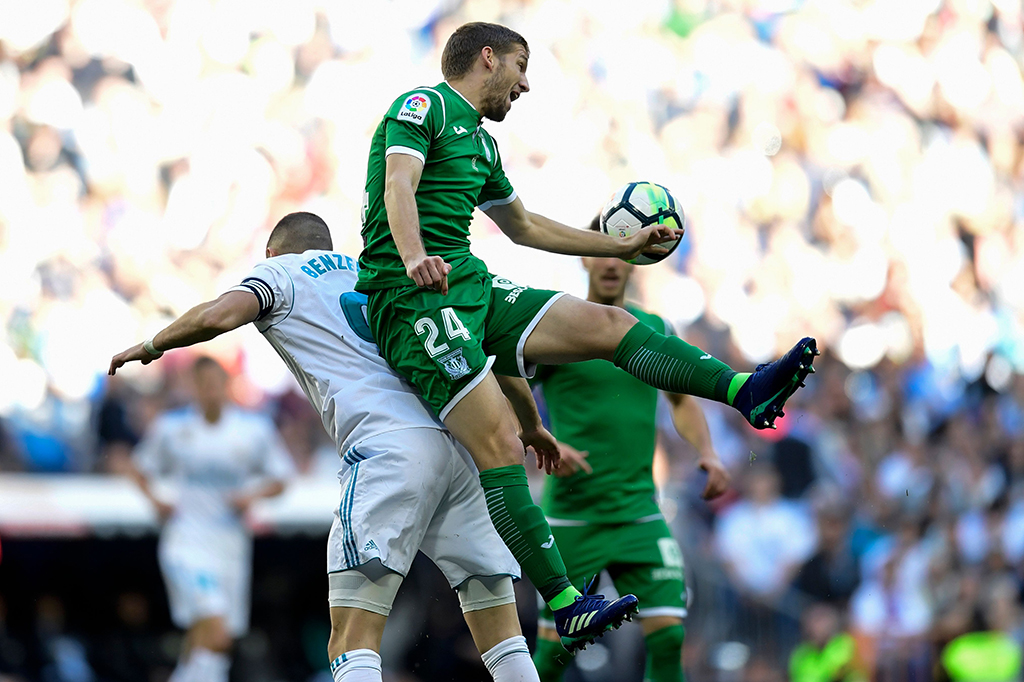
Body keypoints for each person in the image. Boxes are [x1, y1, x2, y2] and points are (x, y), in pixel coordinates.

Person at [356, 20, 818, 651]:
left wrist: (618, 243)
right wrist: (413, 256)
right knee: (498, 440)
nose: (525, 84)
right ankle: (567, 601)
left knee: (610, 323)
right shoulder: (423, 105)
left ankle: (745, 391)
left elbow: (522, 227)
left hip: (470, 285)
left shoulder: (484, 146)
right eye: (521, 66)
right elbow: (398, 184)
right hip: (412, 298)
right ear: (487, 58)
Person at [110, 212, 543, 682]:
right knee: (501, 632)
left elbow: (217, 316)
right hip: (458, 448)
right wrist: (530, 422)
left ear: (272, 253)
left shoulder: (281, 273)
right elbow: (478, 341)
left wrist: (154, 344)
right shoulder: (377, 269)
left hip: (388, 448)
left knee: (352, 637)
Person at [530, 247, 731, 682]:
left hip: (639, 514)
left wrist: (708, 452)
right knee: (553, 655)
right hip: (572, 518)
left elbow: (680, 398)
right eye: (598, 253)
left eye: (618, 253)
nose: (609, 263)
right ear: (583, 259)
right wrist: (541, 438)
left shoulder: (653, 329)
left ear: (633, 261)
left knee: (669, 639)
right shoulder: (558, 327)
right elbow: (508, 389)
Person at [125, 356, 294, 682]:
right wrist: (155, 501)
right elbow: (138, 467)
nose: (210, 391)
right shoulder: (172, 428)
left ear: (226, 385)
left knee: (206, 633)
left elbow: (281, 479)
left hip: (230, 545)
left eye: (216, 384)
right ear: (194, 387)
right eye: (203, 385)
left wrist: (251, 496)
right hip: (186, 540)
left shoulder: (252, 430)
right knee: (217, 632)